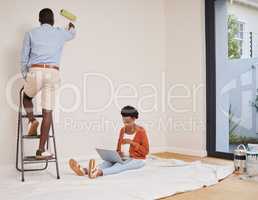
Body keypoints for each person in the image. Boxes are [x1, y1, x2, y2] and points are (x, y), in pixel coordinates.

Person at [21, 8, 76, 159]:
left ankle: (32, 120)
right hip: (53, 72)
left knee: (26, 97)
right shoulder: (59, 32)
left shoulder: (31, 33)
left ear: (39, 20)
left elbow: (24, 57)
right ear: (52, 20)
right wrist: (71, 25)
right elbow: (72, 34)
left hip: (35, 71)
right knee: (48, 112)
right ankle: (41, 150)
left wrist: (26, 76)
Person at [69, 106, 149, 178]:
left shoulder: (141, 131)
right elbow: (118, 147)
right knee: (107, 162)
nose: (126, 124)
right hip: (124, 157)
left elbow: (145, 151)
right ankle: (84, 171)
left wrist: (132, 143)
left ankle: (97, 173)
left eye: (128, 122)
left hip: (137, 159)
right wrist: (118, 154)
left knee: (120, 165)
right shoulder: (122, 130)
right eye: (124, 121)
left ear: (134, 119)